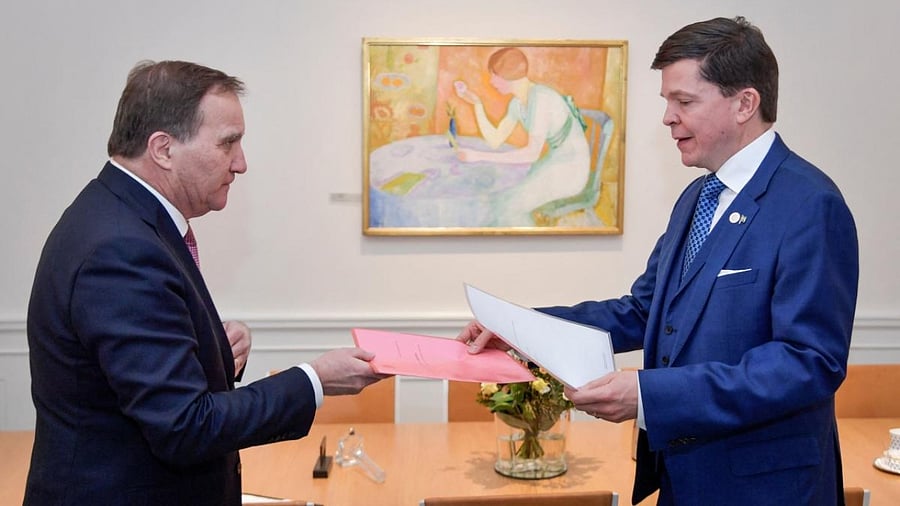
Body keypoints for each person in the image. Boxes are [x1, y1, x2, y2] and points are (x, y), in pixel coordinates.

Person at [459, 17, 858, 505]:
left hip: (767, 488)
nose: (668, 118)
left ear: (744, 103)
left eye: (684, 101)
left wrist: (650, 396)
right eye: (668, 101)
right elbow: (645, 312)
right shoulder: (697, 198)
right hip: (684, 480)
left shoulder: (810, 204)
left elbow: (808, 362)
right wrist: (521, 331)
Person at [25, 60, 387, 505]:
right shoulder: (121, 248)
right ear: (163, 149)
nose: (241, 163)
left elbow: (137, 379)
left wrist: (213, 354)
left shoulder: (119, 216)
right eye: (228, 143)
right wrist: (314, 379)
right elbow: (184, 427)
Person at [453, 47, 591, 226]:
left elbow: (531, 154)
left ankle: (526, 241)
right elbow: (495, 140)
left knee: (509, 207)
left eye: (494, 75)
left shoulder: (541, 98)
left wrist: (479, 156)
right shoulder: (517, 104)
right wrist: (477, 104)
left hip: (571, 169)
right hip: (553, 162)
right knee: (501, 199)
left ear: (508, 74)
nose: (491, 81)